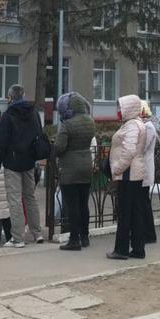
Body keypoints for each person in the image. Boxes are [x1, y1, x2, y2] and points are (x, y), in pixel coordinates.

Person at [0, 84, 44, 246]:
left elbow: (1, 141)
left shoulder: (8, 115)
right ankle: (37, 233)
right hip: (29, 161)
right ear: (23, 95)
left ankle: (18, 237)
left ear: (10, 97)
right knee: (30, 197)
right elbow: (39, 133)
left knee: (14, 199)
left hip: (12, 161)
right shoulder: (34, 113)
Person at [107, 94, 149, 260]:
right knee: (135, 212)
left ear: (128, 108)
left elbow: (129, 151)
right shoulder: (136, 123)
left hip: (128, 174)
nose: (119, 110)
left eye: (121, 107)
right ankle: (138, 248)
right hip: (133, 173)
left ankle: (121, 249)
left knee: (125, 213)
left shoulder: (132, 125)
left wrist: (117, 169)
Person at [54, 92, 96, 251]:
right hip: (86, 165)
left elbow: (59, 147)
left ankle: (74, 239)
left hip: (70, 168)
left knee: (72, 206)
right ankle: (84, 237)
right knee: (83, 204)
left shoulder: (67, 124)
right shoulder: (90, 121)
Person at [140, 101, 159, 245]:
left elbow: (142, 147)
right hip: (142, 169)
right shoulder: (145, 125)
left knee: (143, 204)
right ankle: (146, 233)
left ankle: (148, 234)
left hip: (143, 169)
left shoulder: (148, 127)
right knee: (143, 203)